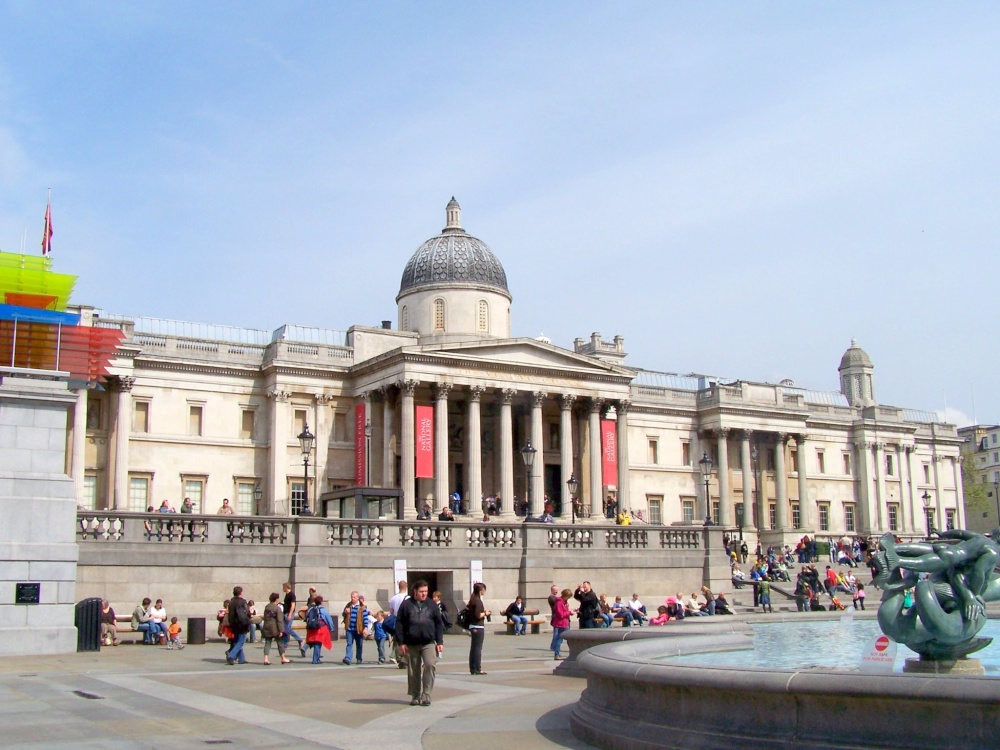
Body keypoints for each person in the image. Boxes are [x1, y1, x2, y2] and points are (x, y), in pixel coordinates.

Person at [395, 579, 445, 706]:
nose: (424, 594)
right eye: (421, 591)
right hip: (411, 642)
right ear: (415, 591)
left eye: (426, 591)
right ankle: (415, 695)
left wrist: (439, 641)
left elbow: (438, 623)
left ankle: (426, 694)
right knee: (413, 670)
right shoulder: (406, 605)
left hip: (428, 641)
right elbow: (399, 624)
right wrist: (401, 642)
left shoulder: (432, 605)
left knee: (430, 665)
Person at [467, 581, 491, 675]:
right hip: (478, 626)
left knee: (474, 648)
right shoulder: (477, 600)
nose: (484, 591)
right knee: (477, 649)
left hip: (473, 626)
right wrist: (486, 613)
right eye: (484, 589)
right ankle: (477, 668)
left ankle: (473, 668)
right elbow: (477, 615)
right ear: (481, 590)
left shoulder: (473, 599)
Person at [305, 595, 335, 664]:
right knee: (318, 643)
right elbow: (328, 619)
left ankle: (316, 658)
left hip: (312, 628)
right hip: (320, 628)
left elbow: (306, 616)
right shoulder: (323, 610)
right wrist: (332, 628)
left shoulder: (311, 609)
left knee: (315, 642)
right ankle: (315, 659)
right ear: (321, 602)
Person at [262, 592, 290, 665]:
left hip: (267, 626)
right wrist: (281, 630)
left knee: (268, 643)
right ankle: (283, 658)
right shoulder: (277, 608)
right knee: (280, 642)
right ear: (276, 599)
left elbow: (265, 617)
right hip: (275, 627)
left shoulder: (267, 607)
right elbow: (280, 620)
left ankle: (266, 658)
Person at [226, 586, 251, 665]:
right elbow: (247, 613)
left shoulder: (231, 602)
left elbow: (230, 615)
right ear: (240, 593)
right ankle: (231, 655)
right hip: (242, 624)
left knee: (237, 641)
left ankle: (241, 659)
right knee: (241, 641)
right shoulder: (243, 602)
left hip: (234, 624)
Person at [342, 591, 369, 665]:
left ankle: (359, 658)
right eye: (351, 597)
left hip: (359, 629)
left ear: (357, 598)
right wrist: (345, 612)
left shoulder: (362, 607)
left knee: (359, 644)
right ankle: (348, 658)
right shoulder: (348, 605)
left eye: (354, 597)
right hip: (350, 629)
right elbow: (343, 614)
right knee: (349, 644)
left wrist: (365, 627)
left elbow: (365, 618)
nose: (352, 598)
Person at [281, 582, 307, 658]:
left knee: (288, 628)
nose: (282, 589)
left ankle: (300, 640)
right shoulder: (287, 595)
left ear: (286, 587)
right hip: (285, 613)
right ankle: (285, 644)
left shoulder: (292, 595)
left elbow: (293, 605)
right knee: (285, 629)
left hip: (289, 613)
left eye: (283, 587)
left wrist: (290, 614)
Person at [387, 579, 409, 669]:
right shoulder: (409, 598)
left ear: (398, 587)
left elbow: (391, 612)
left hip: (396, 621)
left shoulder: (393, 598)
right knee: (407, 640)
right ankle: (405, 658)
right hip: (406, 622)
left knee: (397, 641)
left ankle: (399, 658)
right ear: (406, 587)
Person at [551, 588, 572, 660]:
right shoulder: (559, 603)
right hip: (560, 624)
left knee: (569, 639)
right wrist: (569, 613)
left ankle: (571, 652)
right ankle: (556, 654)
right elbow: (560, 615)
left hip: (565, 623)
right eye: (568, 597)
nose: (568, 599)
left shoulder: (564, 602)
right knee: (559, 639)